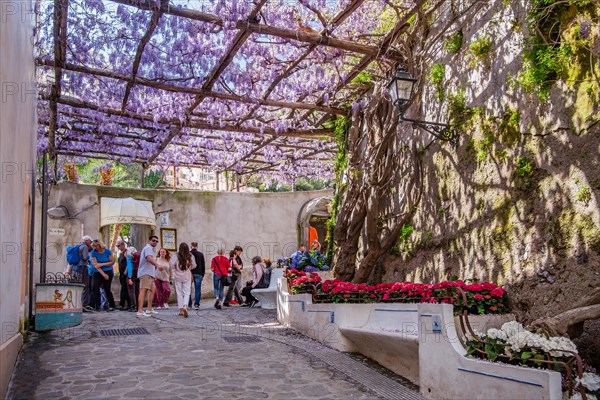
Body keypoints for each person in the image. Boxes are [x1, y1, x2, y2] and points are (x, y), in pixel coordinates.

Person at [137, 235, 161, 318]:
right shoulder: (148, 248)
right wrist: (157, 265)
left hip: (150, 273)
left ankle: (149, 309)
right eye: (153, 240)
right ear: (149, 241)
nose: (155, 242)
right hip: (145, 273)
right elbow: (149, 258)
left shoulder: (151, 249)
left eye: (156, 241)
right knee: (143, 291)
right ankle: (140, 310)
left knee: (152, 290)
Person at [68, 235, 94, 312]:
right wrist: (89, 256)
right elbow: (85, 257)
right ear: (86, 241)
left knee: (77, 285)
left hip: (75, 268)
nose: (91, 243)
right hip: (82, 267)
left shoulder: (77, 246)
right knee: (85, 286)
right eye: (90, 241)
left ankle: (76, 303)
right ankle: (84, 305)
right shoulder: (85, 247)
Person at [90, 239, 116, 311]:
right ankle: (91, 305)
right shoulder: (93, 252)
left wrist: (102, 264)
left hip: (108, 271)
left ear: (100, 245)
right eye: (93, 246)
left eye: (95, 246)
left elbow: (112, 262)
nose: (94, 248)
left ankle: (112, 305)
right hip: (97, 272)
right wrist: (103, 274)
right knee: (94, 287)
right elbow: (96, 265)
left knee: (107, 289)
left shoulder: (107, 251)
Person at [172, 242, 196, 317]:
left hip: (177, 276)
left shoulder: (176, 255)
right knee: (187, 292)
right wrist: (189, 268)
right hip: (187, 275)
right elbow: (194, 265)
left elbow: (172, 265)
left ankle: (181, 310)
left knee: (179, 293)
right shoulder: (190, 256)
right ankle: (185, 306)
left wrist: (176, 269)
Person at [189, 242, 205, 310]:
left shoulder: (188, 254)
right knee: (197, 289)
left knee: (188, 289)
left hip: (190, 273)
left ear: (191, 246)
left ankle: (189, 303)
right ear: (197, 246)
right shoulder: (200, 254)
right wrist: (203, 275)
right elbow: (203, 265)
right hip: (198, 273)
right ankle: (196, 304)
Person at [115, 240, 131, 311]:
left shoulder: (126, 252)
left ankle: (122, 304)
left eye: (118, 246)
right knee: (124, 289)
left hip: (125, 274)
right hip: (121, 274)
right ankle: (128, 304)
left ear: (122, 245)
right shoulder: (121, 253)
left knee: (124, 289)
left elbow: (129, 263)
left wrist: (125, 272)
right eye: (117, 246)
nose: (118, 247)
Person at [125, 246, 140, 312]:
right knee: (137, 291)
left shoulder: (129, 257)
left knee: (131, 291)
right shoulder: (138, 257)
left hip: (132, 274)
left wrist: (129, 278)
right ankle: (138, 305)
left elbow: (130, 267)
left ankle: (133, 306)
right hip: (138, 274)